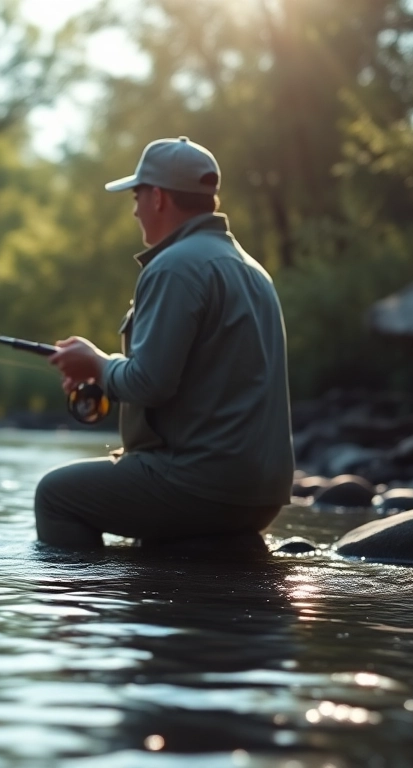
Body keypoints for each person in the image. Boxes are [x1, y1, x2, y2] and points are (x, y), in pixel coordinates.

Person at [37, 136, 294, 550]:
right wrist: (101, 366)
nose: (135, 208)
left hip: (200, 486)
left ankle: (94, 606)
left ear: (157, 197)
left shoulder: (174, 266)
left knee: (55, 496)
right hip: (263, 493)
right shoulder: (252, 270)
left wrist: (99, 366)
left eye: (137, 195)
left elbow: (150, 384)